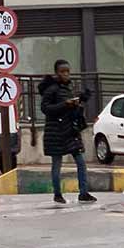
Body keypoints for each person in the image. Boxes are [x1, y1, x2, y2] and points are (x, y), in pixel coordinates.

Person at [39, 59, 96, 204]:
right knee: (57, 164)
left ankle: (83, 192)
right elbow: (46, 109)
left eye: (68, 71)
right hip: (56, 132)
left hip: (70, 131)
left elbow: (74, 111)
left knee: (81, 162)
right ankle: (58, 194)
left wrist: (82, 100)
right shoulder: (51, 90)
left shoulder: (69, 88)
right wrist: (65, 104)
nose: (66, 74)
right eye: (62, 72)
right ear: (56, 73)